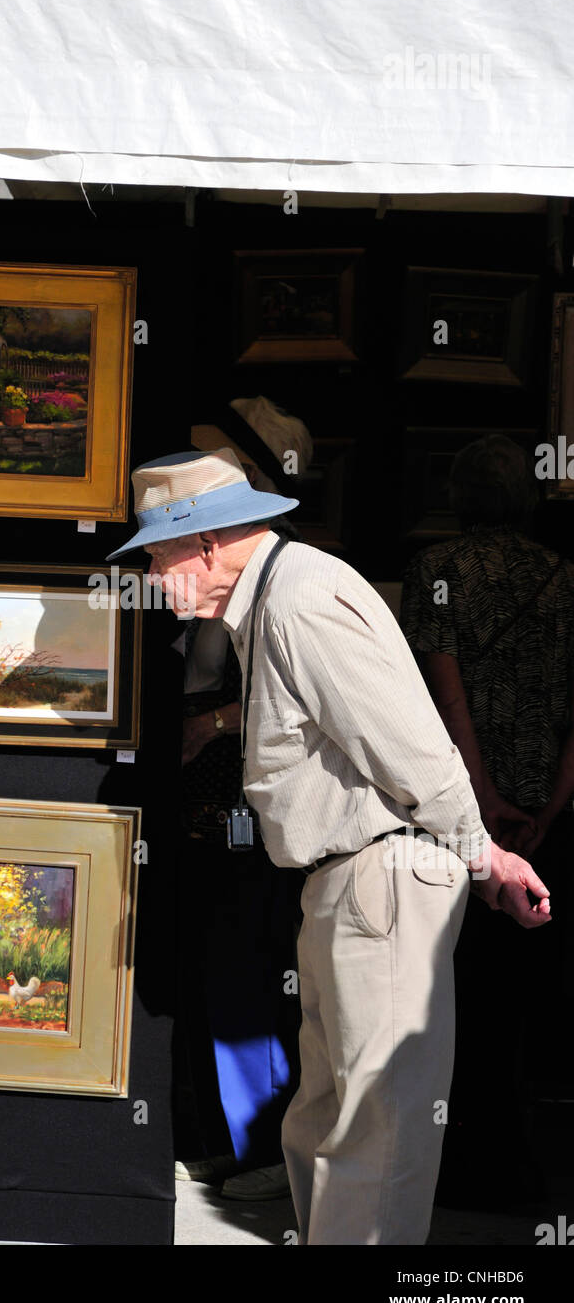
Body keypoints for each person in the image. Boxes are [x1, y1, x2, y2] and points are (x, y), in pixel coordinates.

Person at [107, 446, 551, 1245]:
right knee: (328, 1120)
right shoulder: (276, 598)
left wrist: (483, 858)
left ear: (206, 543)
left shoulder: (302, 599)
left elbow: (411, 749)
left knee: (370, 1131)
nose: (145, 567)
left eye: (153, 550)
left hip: (378, 875)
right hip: (346, 882)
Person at [399, 434, 574, 1202]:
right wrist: (546, 810)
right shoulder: (565, 578)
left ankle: (452, 1155)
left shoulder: (435, 570)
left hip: (459, 815)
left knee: (448, 984)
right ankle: (514, 1156)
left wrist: (482, 798)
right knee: (524, 990)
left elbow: (443, 696)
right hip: (544, 818)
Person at [174, 405, 310, 1200]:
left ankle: (264, 1148)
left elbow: (293, 697)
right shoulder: (223, 575)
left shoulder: (286, 578)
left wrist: (213, 724)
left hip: (246, 810)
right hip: (209, 806)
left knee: (247, 974)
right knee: (221, 970)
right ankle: (235, 1137)